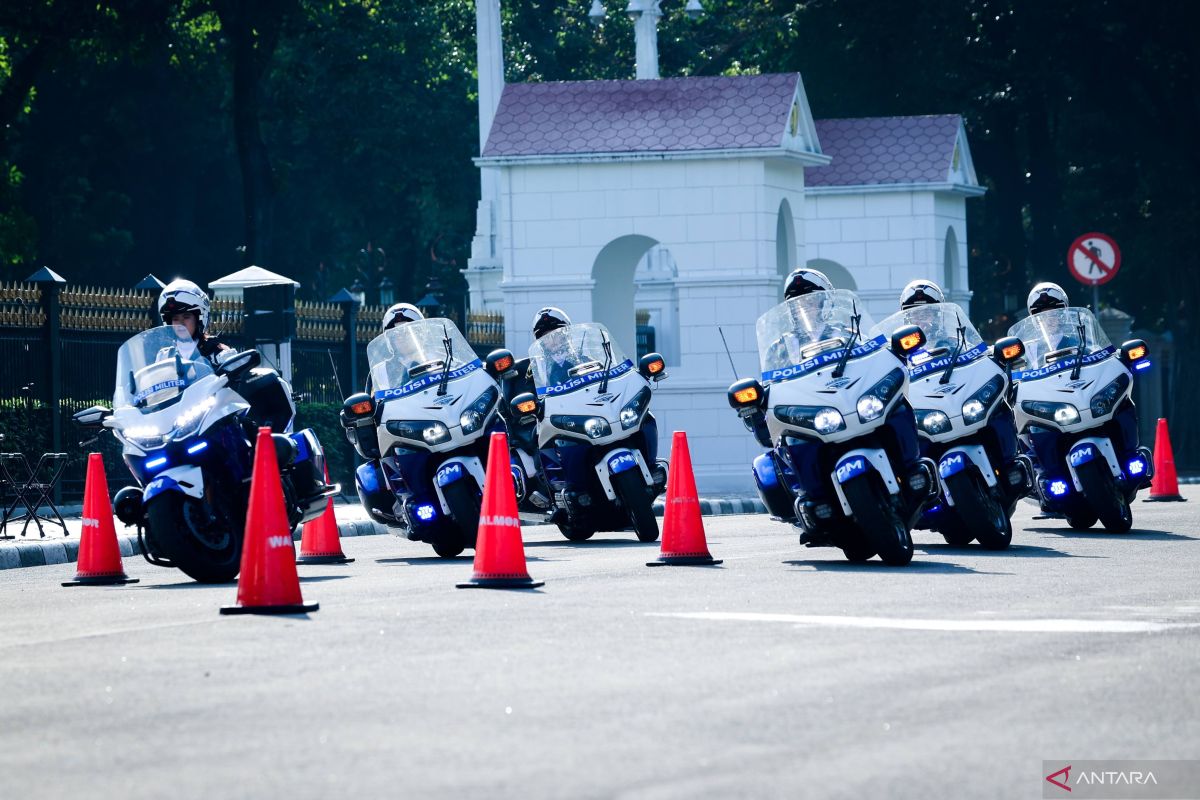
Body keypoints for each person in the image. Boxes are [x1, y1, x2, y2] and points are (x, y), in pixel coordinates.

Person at [156, 279, 231, 366]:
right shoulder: (164, 357)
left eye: (186, 317)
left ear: (199, 319)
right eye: (175, 318)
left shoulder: (219, 353)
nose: (181, 323)